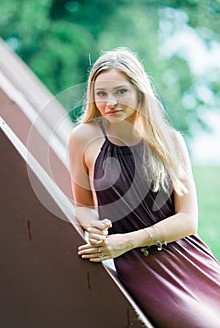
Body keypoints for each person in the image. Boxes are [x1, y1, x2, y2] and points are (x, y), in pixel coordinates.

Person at [68, 47, 220, 327]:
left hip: (189, 258)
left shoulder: (170, 141)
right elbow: (84, 205)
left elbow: (188, 220)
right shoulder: (83, 137)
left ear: (139, 92)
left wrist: (127, 241)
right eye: (101, 93)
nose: (110, 102)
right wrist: (94, 226)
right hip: (140, 269)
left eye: (121, 91)